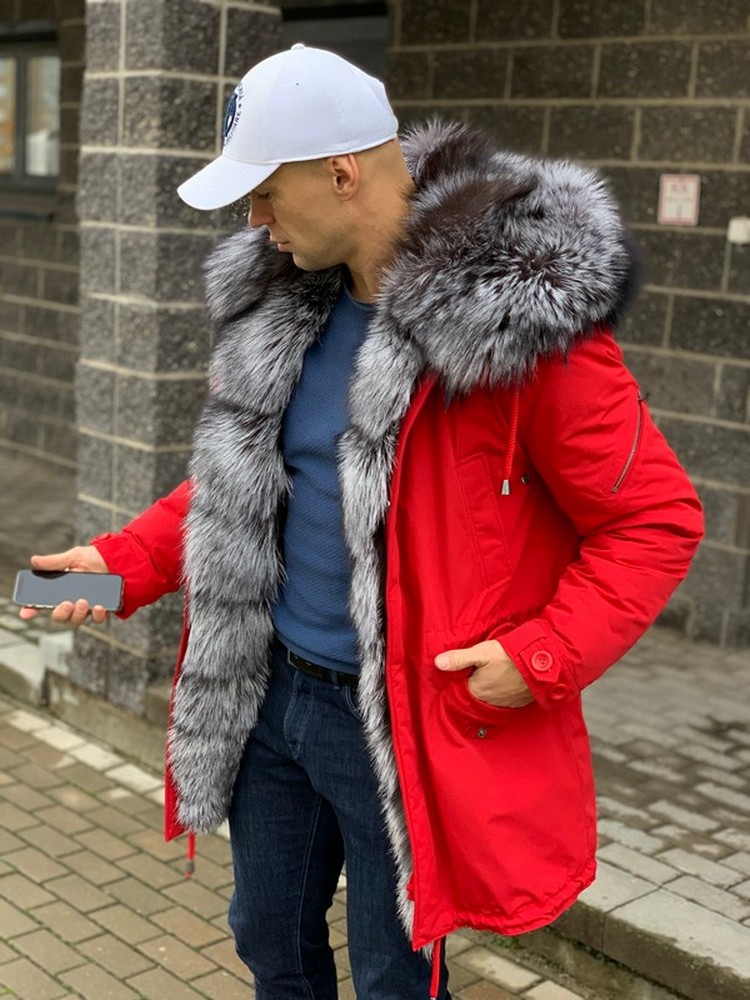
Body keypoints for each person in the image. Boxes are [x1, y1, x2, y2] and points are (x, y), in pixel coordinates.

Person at [22, 44, 703, 1000]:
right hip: (271, 698)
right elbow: (234, 486)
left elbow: (656, 519)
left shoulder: (518, 331)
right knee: (268, 940)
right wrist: (117, 561)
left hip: (404, 723)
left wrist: (544, 656)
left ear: (342, 173)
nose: (254, 219)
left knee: (394, 977)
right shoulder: (287, 306)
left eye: (266, 192)